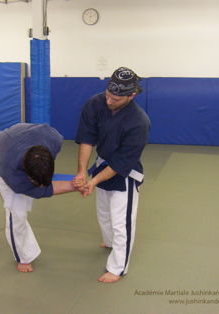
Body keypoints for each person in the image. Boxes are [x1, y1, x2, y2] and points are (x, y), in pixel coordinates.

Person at [73, 67, 151, 283]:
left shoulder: (138, 122)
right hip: (102, 163)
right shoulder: (95, 104)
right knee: (104, 214)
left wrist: (94, 181)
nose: (109, 101)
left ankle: (118, 267)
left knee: (121, 222)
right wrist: (82, 172)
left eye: (115, 99)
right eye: (108, 95)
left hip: (125, 172)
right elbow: (87, 139)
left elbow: (121, 162)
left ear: (131, 95)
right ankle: (109, 242)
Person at [0, 123, 82, 273]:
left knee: (33, 189)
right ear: (25, 172)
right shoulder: (11, 173)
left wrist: (74, 185)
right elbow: (47, 190)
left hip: (18, 137)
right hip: (0, 151)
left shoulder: (55, 140)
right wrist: (72, 187)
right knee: (17, 212)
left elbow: (46, 184)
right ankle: (23, 257)